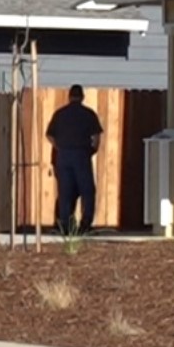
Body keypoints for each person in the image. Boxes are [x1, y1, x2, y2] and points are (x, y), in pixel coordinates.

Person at [45, 84, 104, 235]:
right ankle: (85, 225)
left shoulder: (60, 114)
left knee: (65, 191)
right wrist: (91, 151)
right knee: (87, 191)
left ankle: (65, 225)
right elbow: (96, 138)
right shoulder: (88, 114)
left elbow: (49, 135)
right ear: (82, 97)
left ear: (69, 96)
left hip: (63, 155)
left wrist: (59, 146)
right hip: (81, 155)